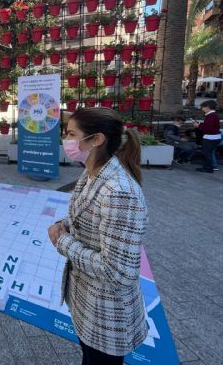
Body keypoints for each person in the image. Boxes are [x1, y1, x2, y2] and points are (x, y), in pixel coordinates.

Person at [48, 108, 147, 365]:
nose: (66, 141)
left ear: (96, 139)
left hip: (108, 314)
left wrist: (63, 241)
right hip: (88, 303)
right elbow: (84, 209)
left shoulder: (119, 192)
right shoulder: (93, 170)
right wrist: (63, 223)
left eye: (71, 134)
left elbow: (118, 272)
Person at [192, 100, 221, 173]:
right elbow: (209, 126)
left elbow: (208, 128)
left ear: (208, 107)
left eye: (203, 107)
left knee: (207, 154)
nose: (202, 109)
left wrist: (198, 126)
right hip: (213, 137)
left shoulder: (211, 116)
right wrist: (200, 124)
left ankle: (208, 168)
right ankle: (207, 167)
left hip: (210, 138)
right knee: (208, 153)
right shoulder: (213, 115)